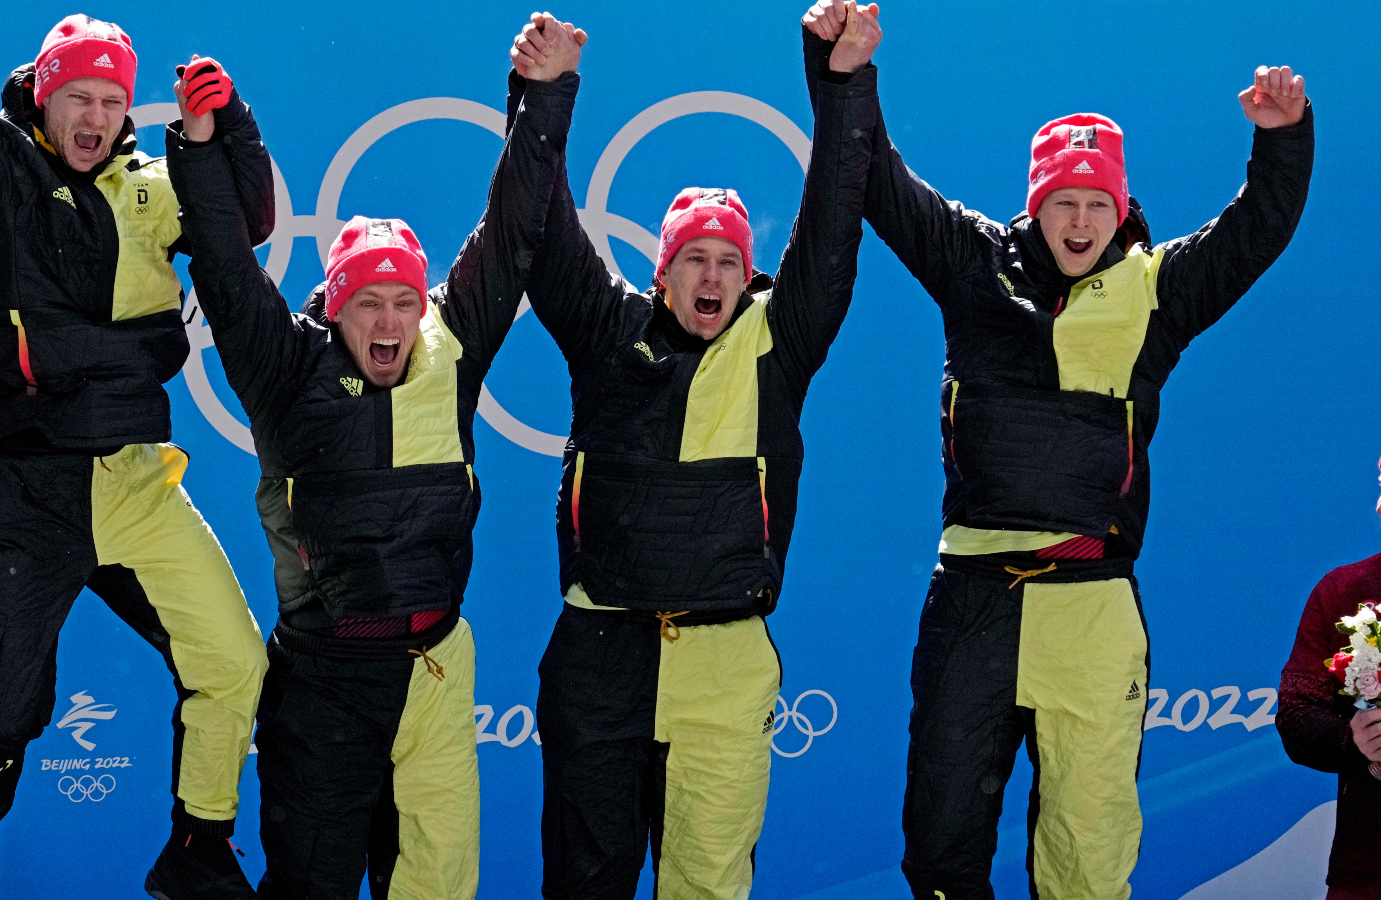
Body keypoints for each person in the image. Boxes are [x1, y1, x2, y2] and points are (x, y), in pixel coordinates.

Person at [810, 3, 1315, 893]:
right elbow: (878, 182)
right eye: (1063, 203)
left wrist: (1283, 140)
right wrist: (844, 73)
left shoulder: (1155, 291)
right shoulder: (974, 266)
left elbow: (1253, 236)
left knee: (1088, 849)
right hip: (973, 599)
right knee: (941, 845)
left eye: (1097, 203)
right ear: (1036, 206)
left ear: (1119, 210)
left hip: (1092, 604)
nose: (1079, 221)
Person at [165, 16, 582, 898]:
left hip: (435, 670)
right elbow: (227, 272)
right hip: (323, 684)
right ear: (338, 309)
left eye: (403, 302)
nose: (389, 323)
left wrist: (548, 94)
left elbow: (512, 227)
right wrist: (200, 149)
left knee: (435, 884)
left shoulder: (451, 344)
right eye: (369, 305)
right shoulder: (286, 366)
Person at [0, 3, 274, 897]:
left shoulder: (149, 178)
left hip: (134, 484)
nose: (95, 117)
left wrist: (226, 132)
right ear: (45, 99)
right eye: (78, 98)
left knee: (237, 663)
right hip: (24, 496)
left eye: (111, 100)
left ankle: (197, 849)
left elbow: (241, 225)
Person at [513, 5, 880, 897]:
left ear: (748, 274)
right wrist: (540, 91)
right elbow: (540, 222)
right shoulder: (608, 330)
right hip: (602, 655)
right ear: (662, 272)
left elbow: (833, 222)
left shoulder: (776, 343)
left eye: (727, 261)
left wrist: (841, 81)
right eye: (694, 260)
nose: (712, 277)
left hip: (724, 660)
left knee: (708, 884)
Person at [1277, 460, 1381, 900]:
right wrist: (1351, 738)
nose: (1378, 505)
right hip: (1368, 867)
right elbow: (1297, 712)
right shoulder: (1343, 590)